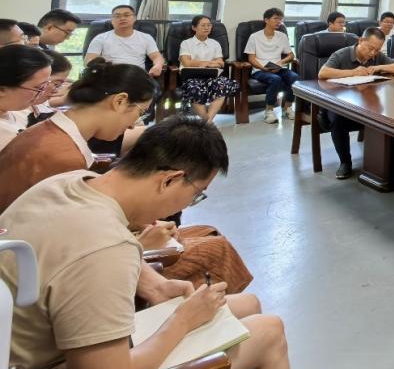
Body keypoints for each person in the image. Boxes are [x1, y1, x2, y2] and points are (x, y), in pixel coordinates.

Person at [0, 116, 331, 369]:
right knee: (269, 333)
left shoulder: (68, 185)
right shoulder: (104, 248)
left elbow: (76, 254)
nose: (186, 205)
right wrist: (182, 321)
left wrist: (156, 285)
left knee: (248, 306)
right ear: (170, 179)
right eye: (195, 195)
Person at [0, 62, 253, 291]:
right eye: (139, 112)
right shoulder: (63, 158)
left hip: (46, 257)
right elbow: (74, 243)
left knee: (207, 233)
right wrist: (140, 244)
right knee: (216, 251)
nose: (133, 125)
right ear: (120, 102)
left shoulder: (51, 135)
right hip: (53, 272)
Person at [318, 27, 394, 179]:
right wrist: (353, 72)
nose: (373, 53)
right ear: (361, 40)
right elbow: (323, 73)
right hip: (340, 103)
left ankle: (386, 162)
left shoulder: (377, 56)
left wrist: (378, 67)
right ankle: (345, 162)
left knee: (389, 114)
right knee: (338, 120)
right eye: (370, 48)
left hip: (366, 103)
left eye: (377, 50)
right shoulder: (342, 54)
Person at [178, 15, 240, 124]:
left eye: (209, 25)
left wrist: (203, 63)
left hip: (211, 76)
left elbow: (220, 63)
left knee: (223, 85)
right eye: (203, 25)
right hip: (192, 77)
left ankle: (207, 122)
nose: (207, 28)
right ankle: (208, 122)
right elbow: (186, 62)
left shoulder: (215, 44)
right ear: (194, 27)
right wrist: (210, 63)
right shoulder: (186, 43)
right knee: (194, 89)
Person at [244, 7, 297, 125]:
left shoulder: (282, 36)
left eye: (280, 19)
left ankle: (287, 108)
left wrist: (281, 62)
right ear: (266, 20)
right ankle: (269, 111)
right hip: (260, 69)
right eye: (275, 18)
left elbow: (291, 55)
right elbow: (251, 58)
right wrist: (263, 68)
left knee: (294, 77)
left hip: (278, 67)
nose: (279, 22)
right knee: (275, 79)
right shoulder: (254, 37)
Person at [84, 4, 164, 78]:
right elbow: (90, 59)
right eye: (117, 16)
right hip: (109, 76)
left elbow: (156, 56)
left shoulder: (146, 37)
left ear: (134, 18)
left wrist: (158, 66)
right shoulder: (100, 38)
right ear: (112, 21)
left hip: (137, 76)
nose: (122, 18)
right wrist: (96, 66)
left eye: (126, 15)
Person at [0, 44, 51, 151]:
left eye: (46, 85)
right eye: (39, 88)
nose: (42, 93)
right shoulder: (4, 135)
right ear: (2, 90)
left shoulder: (19, 112)